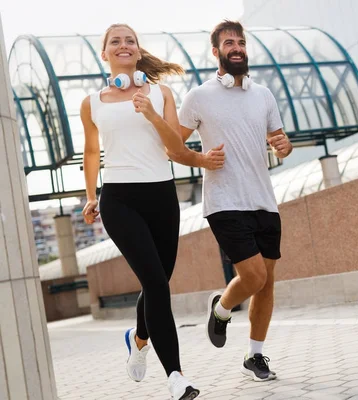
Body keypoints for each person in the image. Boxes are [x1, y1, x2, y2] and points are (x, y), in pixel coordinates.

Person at [81, 23, 223, 400]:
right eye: (116, 41)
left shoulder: (161, 93)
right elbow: (92, 152)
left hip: (161, 196)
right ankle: (176, 377)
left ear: (138, 51)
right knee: (158, 285)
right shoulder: (91, 103)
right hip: (119, 200)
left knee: (156, 282)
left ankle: (138, 337)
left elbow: (175, 147)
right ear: (105, 53)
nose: (123, 45)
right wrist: (91, 194)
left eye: (130, 40)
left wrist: (151, 114)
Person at [178, 20, 293, 382]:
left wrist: (285, 146)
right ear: (216, 52)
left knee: (267, 281)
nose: (237, 47)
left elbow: (278, 138)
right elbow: (173, 144)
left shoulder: (263, 95)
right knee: (254, 276)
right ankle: (223, 307)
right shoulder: (199, 97)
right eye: (229, 43)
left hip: (263, 199)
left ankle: (254, 355)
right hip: (224, 201)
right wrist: (200, 159)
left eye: (241, 42)